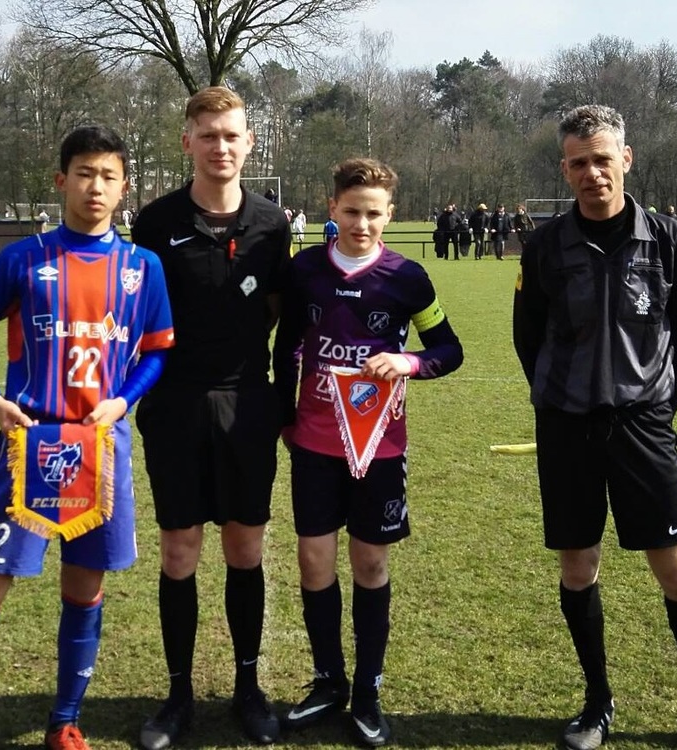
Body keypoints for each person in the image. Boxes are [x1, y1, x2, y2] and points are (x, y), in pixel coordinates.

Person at [0, 125, 175, 750]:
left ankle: (65, 723)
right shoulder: (22, 258)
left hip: (99, 448)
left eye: (108, 176)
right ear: (62, 181)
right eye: (84, 173)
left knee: (85, 588)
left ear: (124, 187)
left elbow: (159, 351)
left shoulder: (143, 268)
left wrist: (123, 400)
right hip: (28, 445)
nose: (95, 187)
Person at [513, 103, 677, 750]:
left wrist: (655, 409)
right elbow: (528, 336)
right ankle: (596, 703)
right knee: (578, 566)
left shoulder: (669, 239)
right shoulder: (544, 246)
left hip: (644, 428)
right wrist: (561, 400)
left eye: (602, 159)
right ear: (565, 169)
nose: (591, 173)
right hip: (567, 428)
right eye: (578, 162)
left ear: (625, 158)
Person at [273, 157, 463, 747]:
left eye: (373, 214)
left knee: (371, 565)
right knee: (314, 561)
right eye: (351, 212)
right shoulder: (304, 270)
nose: (361, 224)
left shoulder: (408, 278)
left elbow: (449, 349)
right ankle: (328, 681)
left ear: (390, 215)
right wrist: (285, 417)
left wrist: (407, 362)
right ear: (332, 209)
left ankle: (368, 691)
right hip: (313, 442)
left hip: (379, 447)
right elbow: (285, 348)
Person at [130, 85, 291, 750]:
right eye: (208, 135)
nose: (221, 146)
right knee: (179, 551)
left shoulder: (272, 226)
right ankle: (178, 696)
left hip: (247, 403)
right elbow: (136, 316)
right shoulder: (154, 222)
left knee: (245, 549)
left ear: (249, 143)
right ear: (187, 141)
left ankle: (248, 689)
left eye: (232, 135)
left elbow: (280, 313)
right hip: (174, 405)